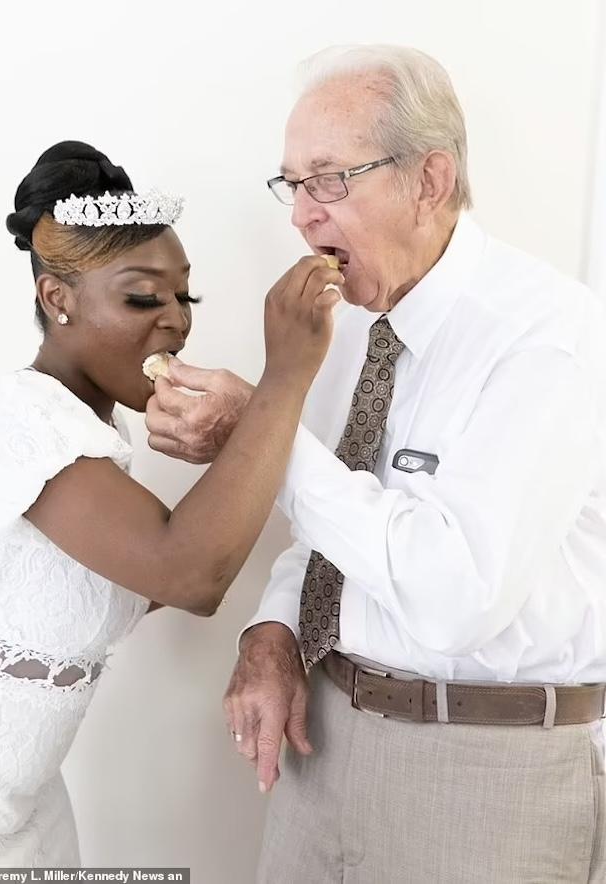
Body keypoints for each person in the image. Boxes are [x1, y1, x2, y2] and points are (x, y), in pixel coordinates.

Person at [146, 46, 606, 881]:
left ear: (430, 178)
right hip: (324, 739)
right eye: (291, 184)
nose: (300, 216)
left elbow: (456, 596)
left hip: (488, 772)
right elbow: (332, 520)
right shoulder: (350, 319)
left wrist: (258, 429)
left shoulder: (552, 338)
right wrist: (274, 630)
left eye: (329, 179)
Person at [0, 140, 344, 865]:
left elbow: (173, 563)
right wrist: (287, 375)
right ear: (58, 298)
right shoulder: (15, 420)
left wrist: (246, 443)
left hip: (28, 818)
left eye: (183, 297)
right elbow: (189, 572)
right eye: (143, 297)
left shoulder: (90, 439)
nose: (175, 320)